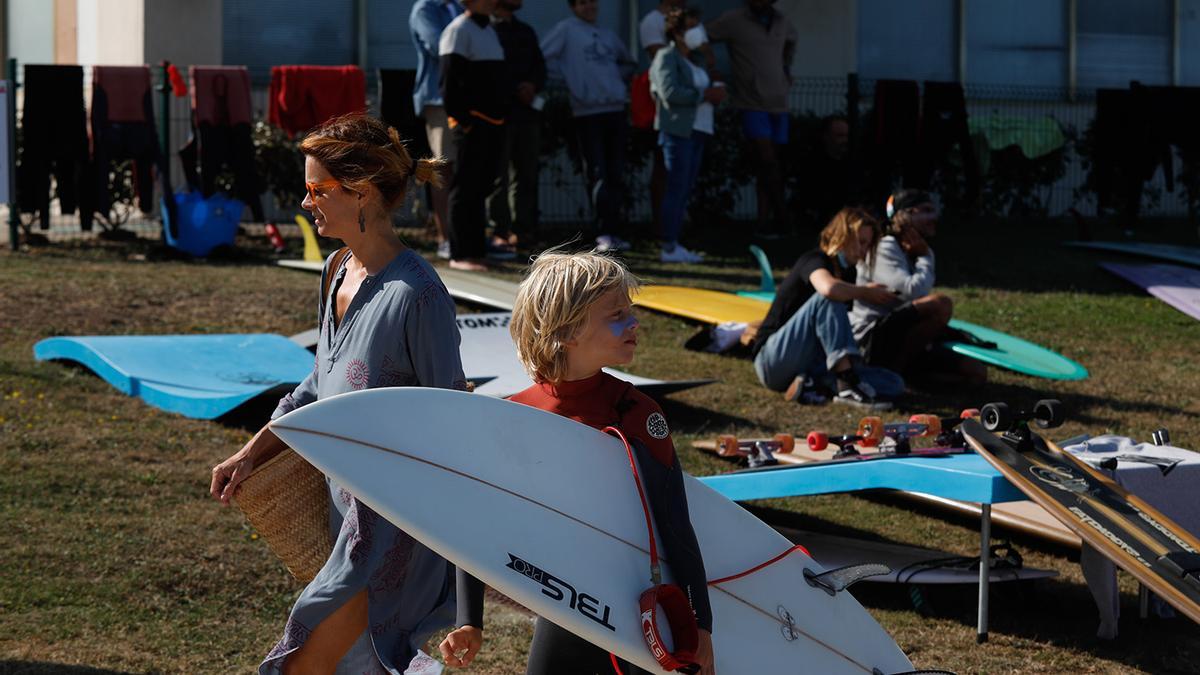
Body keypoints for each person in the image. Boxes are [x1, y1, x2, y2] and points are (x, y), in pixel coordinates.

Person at [208, 114, 485, 674]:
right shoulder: (337, 268)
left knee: (300, 665)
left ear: (360, 192)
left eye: (316, 190)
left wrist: (468, 599)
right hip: (346, 524)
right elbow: (316, 386)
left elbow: (456, 438)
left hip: (392, 541)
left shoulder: (419, 297)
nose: (306, 202)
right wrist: (250, 452)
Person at [508, 249, 716, 675]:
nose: (634, 323)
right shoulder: (517, 414)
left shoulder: (637, 413)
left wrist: (700, 626)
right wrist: (468, 620)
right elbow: (476, 522)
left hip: (642, 606)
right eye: (616, 314)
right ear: (567, 330)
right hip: (565, 606)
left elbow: (676, 524)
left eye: (630, 311)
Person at [750, 207, 904, 409]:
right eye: (861, 242)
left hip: (810, 361)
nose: (864, 251)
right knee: (828, 298)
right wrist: (865, 292)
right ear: (843, 236)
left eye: (868, 245)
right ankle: (845, 384)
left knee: (894, 383)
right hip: (772, 359)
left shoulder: (848, 274)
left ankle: (811, 382)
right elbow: (828, 288)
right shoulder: (815, 259)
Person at [850, 189, 988, 387]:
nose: (933, 217)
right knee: (940, 304)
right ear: (907, 215)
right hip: (873, 338)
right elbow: (913, 291)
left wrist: (923, 254)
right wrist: (925, 257)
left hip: (903, 336)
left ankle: (904, 377)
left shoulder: (913, 250)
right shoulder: (885, 246)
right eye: (926, 210)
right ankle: (891, 373)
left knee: (976, 374)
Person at [541, 0, 637, 253]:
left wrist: (615, 84)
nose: (589, 7)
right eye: (582, 3)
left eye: (592, 2)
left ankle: (615, 230)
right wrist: (572, 81)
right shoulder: (566, 29)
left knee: (615, 172)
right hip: (587, 112)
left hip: (615, 108)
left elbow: (627, 62)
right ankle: (602, 232)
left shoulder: (607, 34)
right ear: (573, 7)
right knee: (598, 172)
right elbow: (543, 58)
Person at [706, 0, 797, 239]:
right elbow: (700, 39)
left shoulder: (781, 20)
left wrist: (785, 71)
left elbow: (791, 41)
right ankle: (783, 219)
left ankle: (764, 222)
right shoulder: (734, 19)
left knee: (772, 166)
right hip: (752, 103)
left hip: (779, 103)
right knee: (767, 161)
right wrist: (710, 71)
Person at [649, 8, 726, 263]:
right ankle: (668, 245)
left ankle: (676, 242)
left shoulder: (696, 59)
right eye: (691, 26)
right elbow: (669, 92)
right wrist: (704, 96)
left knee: (684, 189)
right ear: (677, 32)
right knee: (676, 187)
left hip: (700, 129)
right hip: (678, 132)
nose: (696, 32)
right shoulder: (665, 56)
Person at [439, 0, 511, 271]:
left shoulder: (489, 30)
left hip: (493, 122)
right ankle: (460, 254)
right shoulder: (457, 30)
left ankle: (477, 251)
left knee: (481, 187)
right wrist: (464, 120)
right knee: (465, 186)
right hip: (472, 123)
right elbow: (449, 81)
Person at [486, 0, 546, 257]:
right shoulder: (486, 30)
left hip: (526, 114)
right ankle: (499, 232)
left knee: (527, 174)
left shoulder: (525, 31)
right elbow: (488, 71)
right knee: (498, 176)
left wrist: (532, 85)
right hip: (498, 114)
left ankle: (524, 232)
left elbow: (539, 66)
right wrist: (513, 90)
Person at [410, 0, 464, 260]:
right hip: (438, 97)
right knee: (443, 166)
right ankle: (445, 238)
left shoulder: (461, 6)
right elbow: (440, 48)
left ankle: (464, 235)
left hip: (466, 98)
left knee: (465, 168)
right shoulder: (425, 9)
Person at [793, 114, 863, 231]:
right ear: (826, 137)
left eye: (846, 136)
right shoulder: (813, 164)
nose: (844, 141)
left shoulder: (852, 163)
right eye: (839, 136)